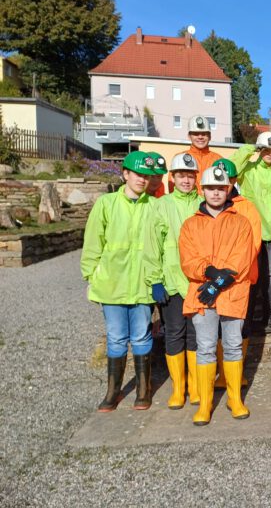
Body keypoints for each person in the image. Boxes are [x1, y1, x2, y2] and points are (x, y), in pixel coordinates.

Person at [179, 166, 256, 426]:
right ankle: (205, 404)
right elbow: (188, 259)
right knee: (206, 348)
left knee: (233, 345)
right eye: (211, 188)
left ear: (228, 190)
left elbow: (243, 258)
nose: (215, 193)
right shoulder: (190, 224)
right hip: (202, 294)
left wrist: (220, 281)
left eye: (220, 188)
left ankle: (235, 399)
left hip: (232, 292)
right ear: (203, 189)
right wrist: (210, 273)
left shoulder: (241, 222)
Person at [81, 151, 156, 412]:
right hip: (112, 284)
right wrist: (90, 275)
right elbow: (93, 241)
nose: (142, 180)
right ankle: (113, 391)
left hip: (142, 284)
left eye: (147, 176)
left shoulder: (153, 206)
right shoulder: (106, 204)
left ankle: (143, 390)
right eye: (138, 174)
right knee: (116, 337)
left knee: (142, 335)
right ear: (125, 174)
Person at [143, 153, 203, 409]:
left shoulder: (203, 202)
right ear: (173, 178)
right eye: (181, 176)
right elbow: (151, 245)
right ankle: (179, 388)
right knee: (174, 333)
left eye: (190, 176)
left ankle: (197, 384)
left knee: (196, 335)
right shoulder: (161, 205)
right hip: (171, 280)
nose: (186, 180)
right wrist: (155, 279)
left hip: (198, 283)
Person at [230, 131, 271, 328]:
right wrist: (252, 147)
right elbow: (231, 167)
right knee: (250, 275)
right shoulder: (248, 170)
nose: (269, 152)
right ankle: (248, 318)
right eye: (265, 149)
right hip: (252, 231)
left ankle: (269, 317)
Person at [210, 158, 262, 390]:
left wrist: (233, 271)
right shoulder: (208, 207)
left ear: (234, 181)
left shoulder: (246, 207)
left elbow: (254, 243)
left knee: (242, 325)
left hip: (242, 277)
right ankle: (221, 373)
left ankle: (237, 371)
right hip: (215, 278)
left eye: (228, 180)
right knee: (219, 327)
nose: (224, 184)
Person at [169, 115, 223, 193]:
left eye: (204, 134)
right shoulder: (179, 158)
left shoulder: (219, 160)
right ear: (189, 136)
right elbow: (172, 188)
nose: (200, 137)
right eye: (196, 134)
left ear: (210, 136)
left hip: (211, 204)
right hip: (186, 204)